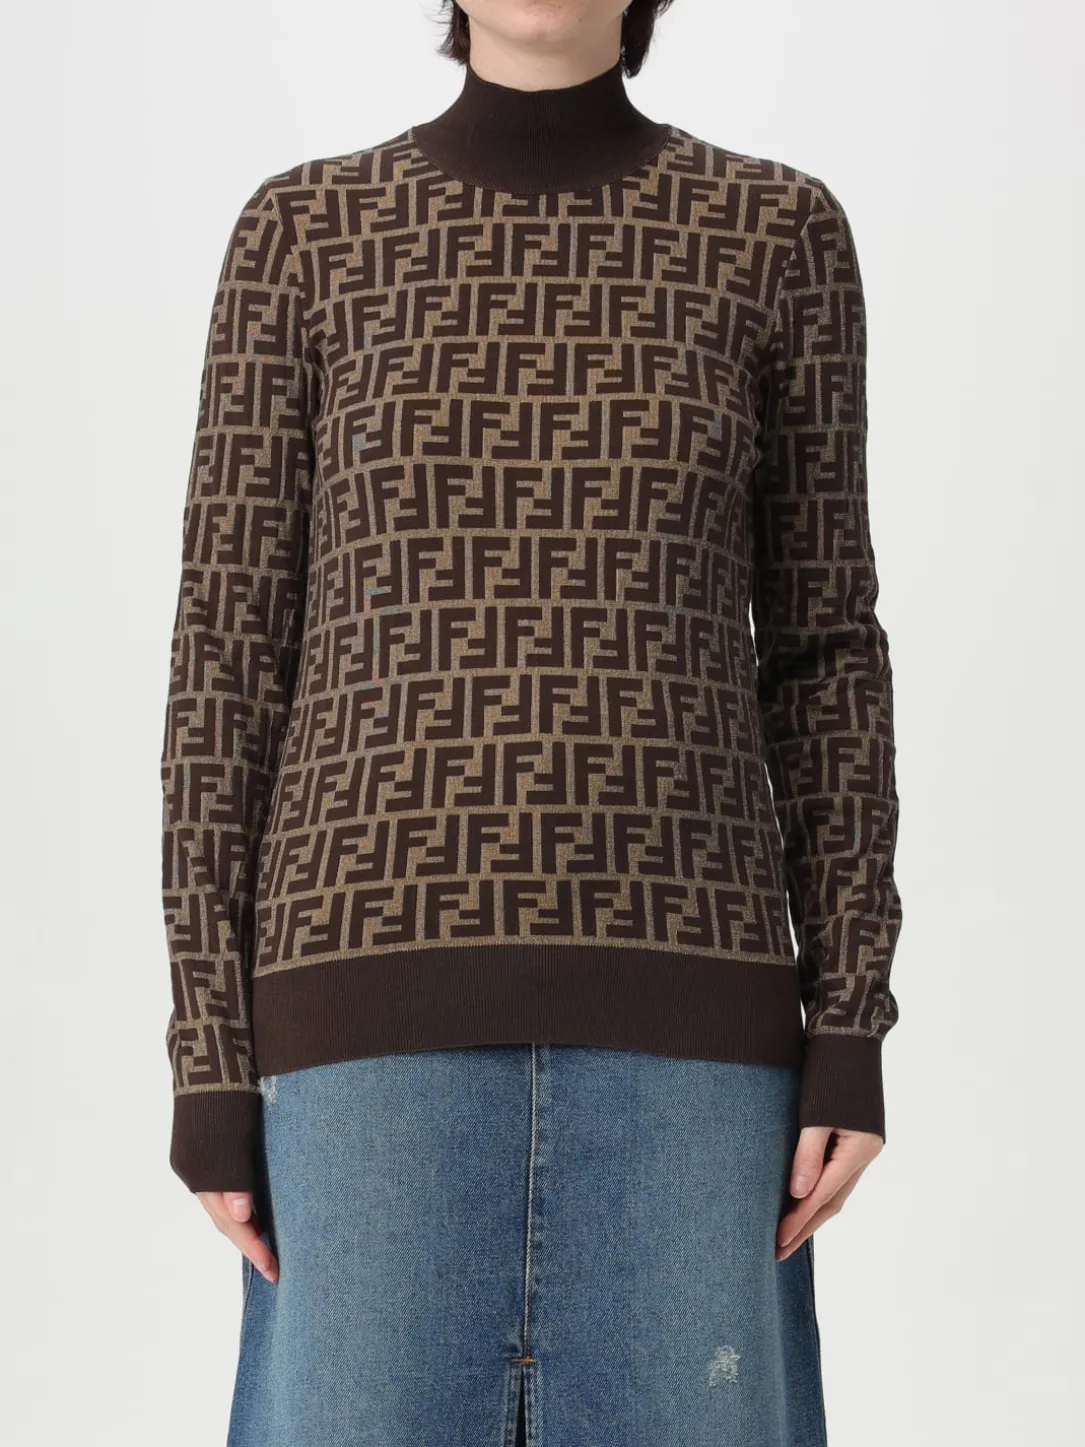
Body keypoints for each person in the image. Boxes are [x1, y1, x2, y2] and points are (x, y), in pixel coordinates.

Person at [158, 2, 903, 1443]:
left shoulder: (776, 235)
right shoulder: (303, 237)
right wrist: (207, 1051)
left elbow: (823, 658)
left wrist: (852, 1016)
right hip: (360, 1043)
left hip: (697, 1051)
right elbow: (227, 669)